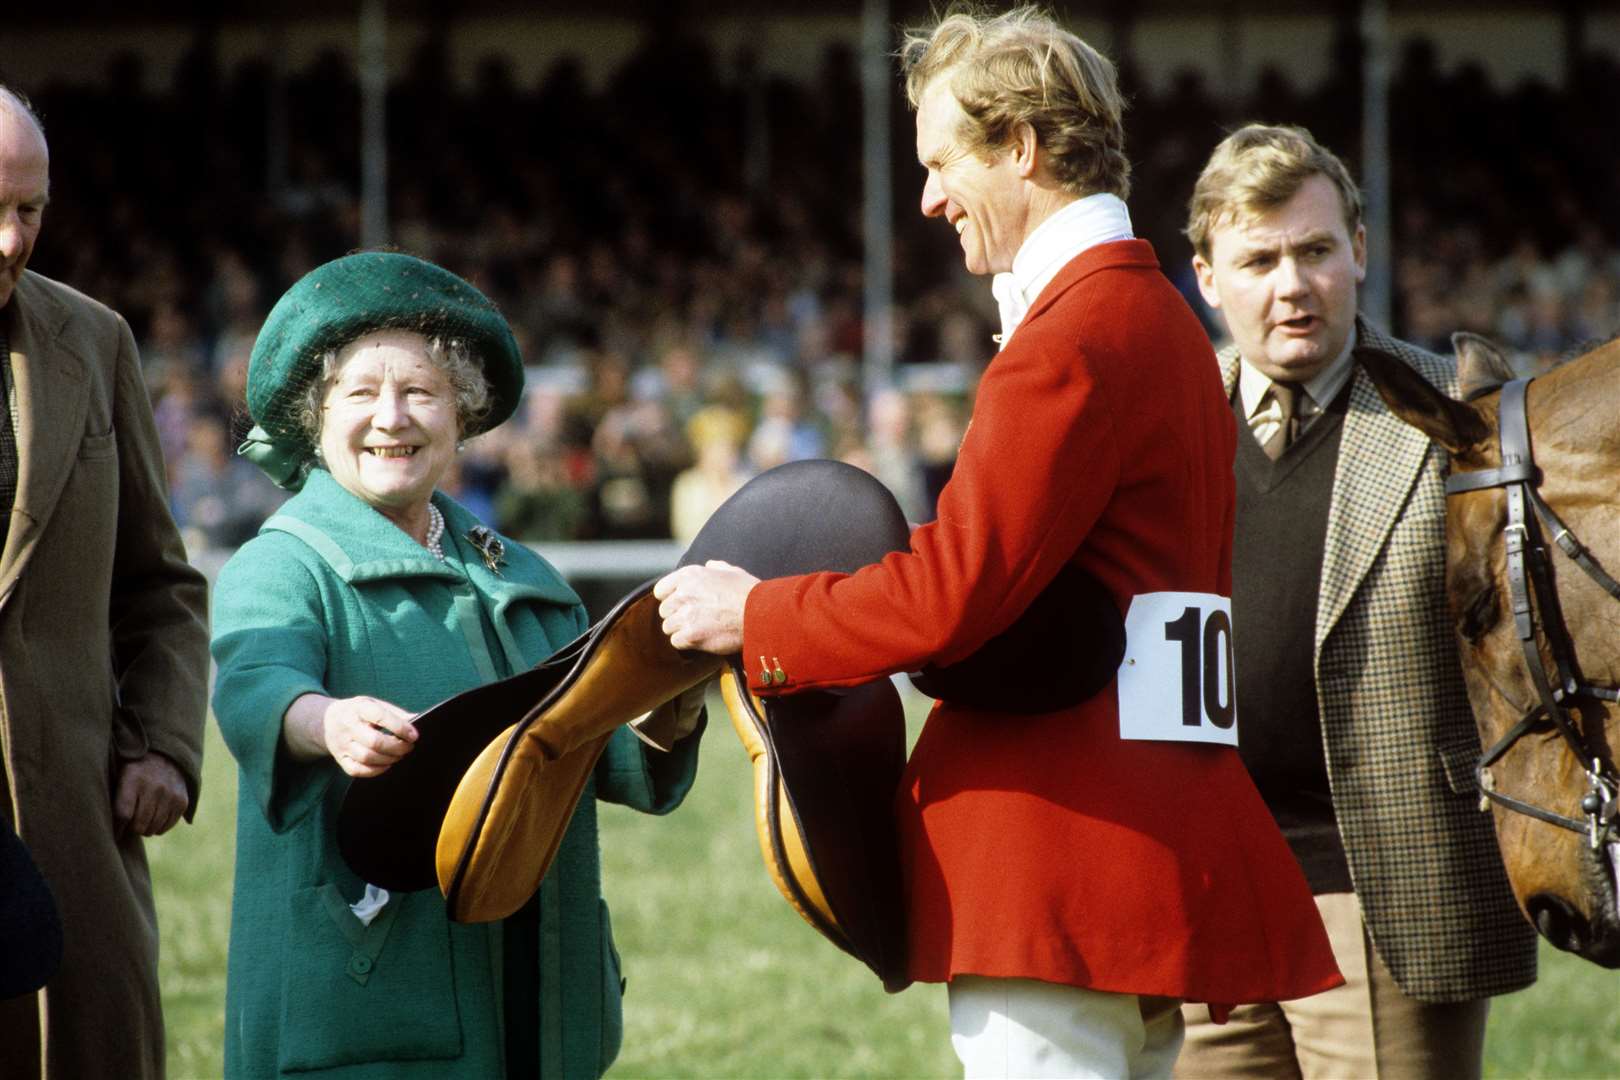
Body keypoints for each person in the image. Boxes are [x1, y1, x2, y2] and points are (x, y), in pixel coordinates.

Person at [654, 10, 1341, 1078]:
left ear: (1019, 146)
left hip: (1057, 856)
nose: (927, 196)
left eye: (941, 160)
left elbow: (951, 595)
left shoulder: (1071, 338)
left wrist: (754, 615)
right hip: (1145, 836)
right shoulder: (1153, 315)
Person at [210, 251, 702, 1080]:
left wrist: (673, 706)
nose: (391, 419)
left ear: (462, 415)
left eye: (422, 393)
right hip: (371, 1002)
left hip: (541, 997)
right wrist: (322, 721)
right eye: (361, 394)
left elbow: (595, 744)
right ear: (315, 418)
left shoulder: (528, 579)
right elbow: (256, 680)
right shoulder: (284, 565)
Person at [1176, 122, 1538, 1079]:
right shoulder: (1163, 424)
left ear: (1360, 253)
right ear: (1208, 277)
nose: (1291, 284)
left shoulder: (1461, 418)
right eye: (1257, 259)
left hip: (1385, 896)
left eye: (1314, 251)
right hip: (1202, 899)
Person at [0, 86, 210, 1078]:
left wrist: (165, 745)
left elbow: (160, 586)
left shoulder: (95, 340)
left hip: (71, 828)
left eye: (30, 210)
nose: (10, 240)